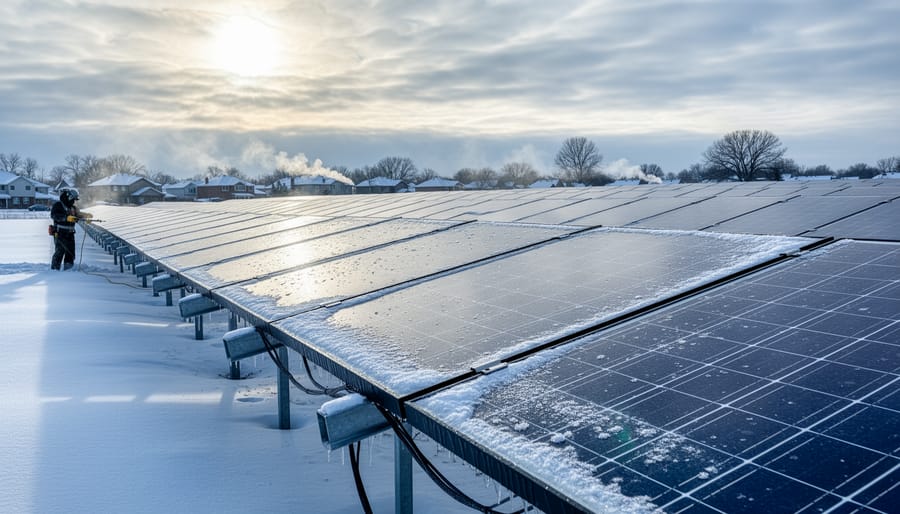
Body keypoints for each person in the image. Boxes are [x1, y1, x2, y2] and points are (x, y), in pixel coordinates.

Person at [50, 188, 92, 270]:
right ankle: (54, 270)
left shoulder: (73, 208)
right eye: (73, 199)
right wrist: (66, 218)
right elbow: (54, 215)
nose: (74, 201)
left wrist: (86, 216)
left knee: (70, 253)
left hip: (70, 233)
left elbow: (78, 215)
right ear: (68, 197)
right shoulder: (58, 205)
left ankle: (68, 269)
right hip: (59, 233)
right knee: (59, 252)